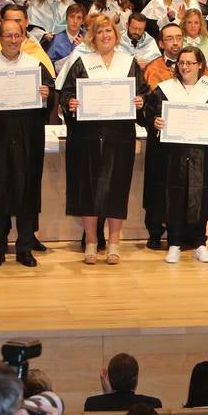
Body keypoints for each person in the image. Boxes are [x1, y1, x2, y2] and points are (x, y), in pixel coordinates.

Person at [59, 15, 146, 264]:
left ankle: (114, 242)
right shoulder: (82, 62)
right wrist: (70, 103)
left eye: (109, 31)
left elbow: (143, 94)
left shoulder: (128, 63)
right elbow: (66, 94)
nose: (105, 35)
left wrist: (140, 101)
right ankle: (91, 241)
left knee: (117, 187)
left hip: (119, 136)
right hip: (87, 135)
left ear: (116, 34)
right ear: (93, 37)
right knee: (87, 187)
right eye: (100, 32)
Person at [144, 45, 208, 264]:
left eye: (190, 63)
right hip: (173, 154)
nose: (185, 67)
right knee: (174, 196)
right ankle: (174, 242)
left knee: (200, 197)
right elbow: (150, 114)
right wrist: (155, 121)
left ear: (200, 64)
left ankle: (200, 243)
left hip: (203, 154)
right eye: (181, 63)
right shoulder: (164, 89)